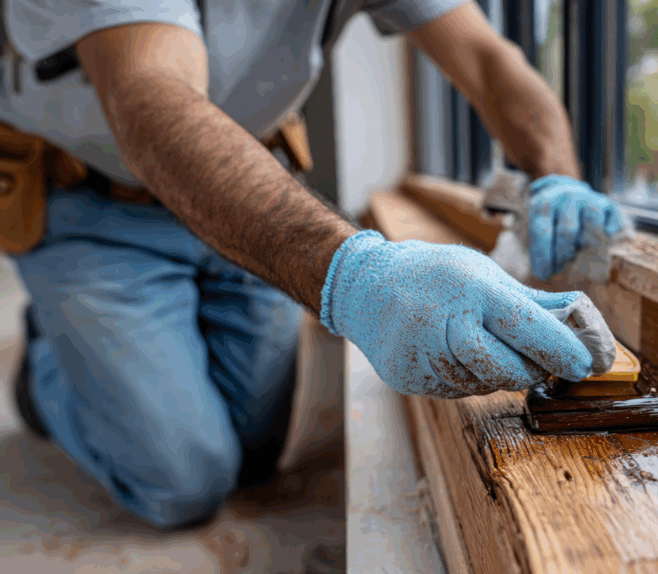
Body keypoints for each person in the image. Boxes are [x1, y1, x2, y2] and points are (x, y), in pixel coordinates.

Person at [1, 0, 623, 529]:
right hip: (96, 209)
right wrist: (356, 277)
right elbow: (151, 97)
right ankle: (46, 370)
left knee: (254, 460)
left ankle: (102, 352)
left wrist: (557, 182)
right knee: (185, 485)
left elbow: (489, 62)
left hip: (250, 200)